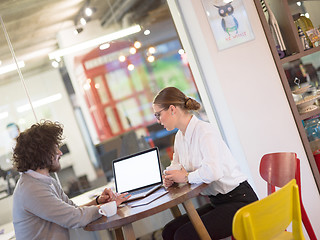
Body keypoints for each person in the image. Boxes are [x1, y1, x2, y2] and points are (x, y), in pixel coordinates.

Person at [153, 87, 258, 240]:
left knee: (183, 236)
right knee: (169, 231)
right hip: (218, 202)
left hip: (239, 201)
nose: (158, 120)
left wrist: (186, 177)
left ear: (172, 109)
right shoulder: (179, 138)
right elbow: (175, 165)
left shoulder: (204, 131)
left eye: (158, 114)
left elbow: (213, 172)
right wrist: (169, 176)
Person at [12, 120, 130, 240]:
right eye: (55, 148)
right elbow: (74, 218)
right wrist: (109, 207)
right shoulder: (31, 189)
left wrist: (99, 201)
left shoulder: (46, 181)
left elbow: (73, 210)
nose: (60, 152)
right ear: (41, 153)